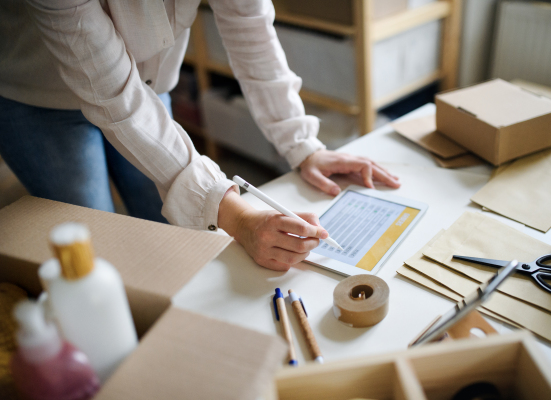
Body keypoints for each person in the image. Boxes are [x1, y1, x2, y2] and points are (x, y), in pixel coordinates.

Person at [0, 0, 400, 271]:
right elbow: (111, 94)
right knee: (93, 248)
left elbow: (250, 28)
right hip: (40, 97)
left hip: (148, 86)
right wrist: (234, 214)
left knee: (177, 238)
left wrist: (301, 143)